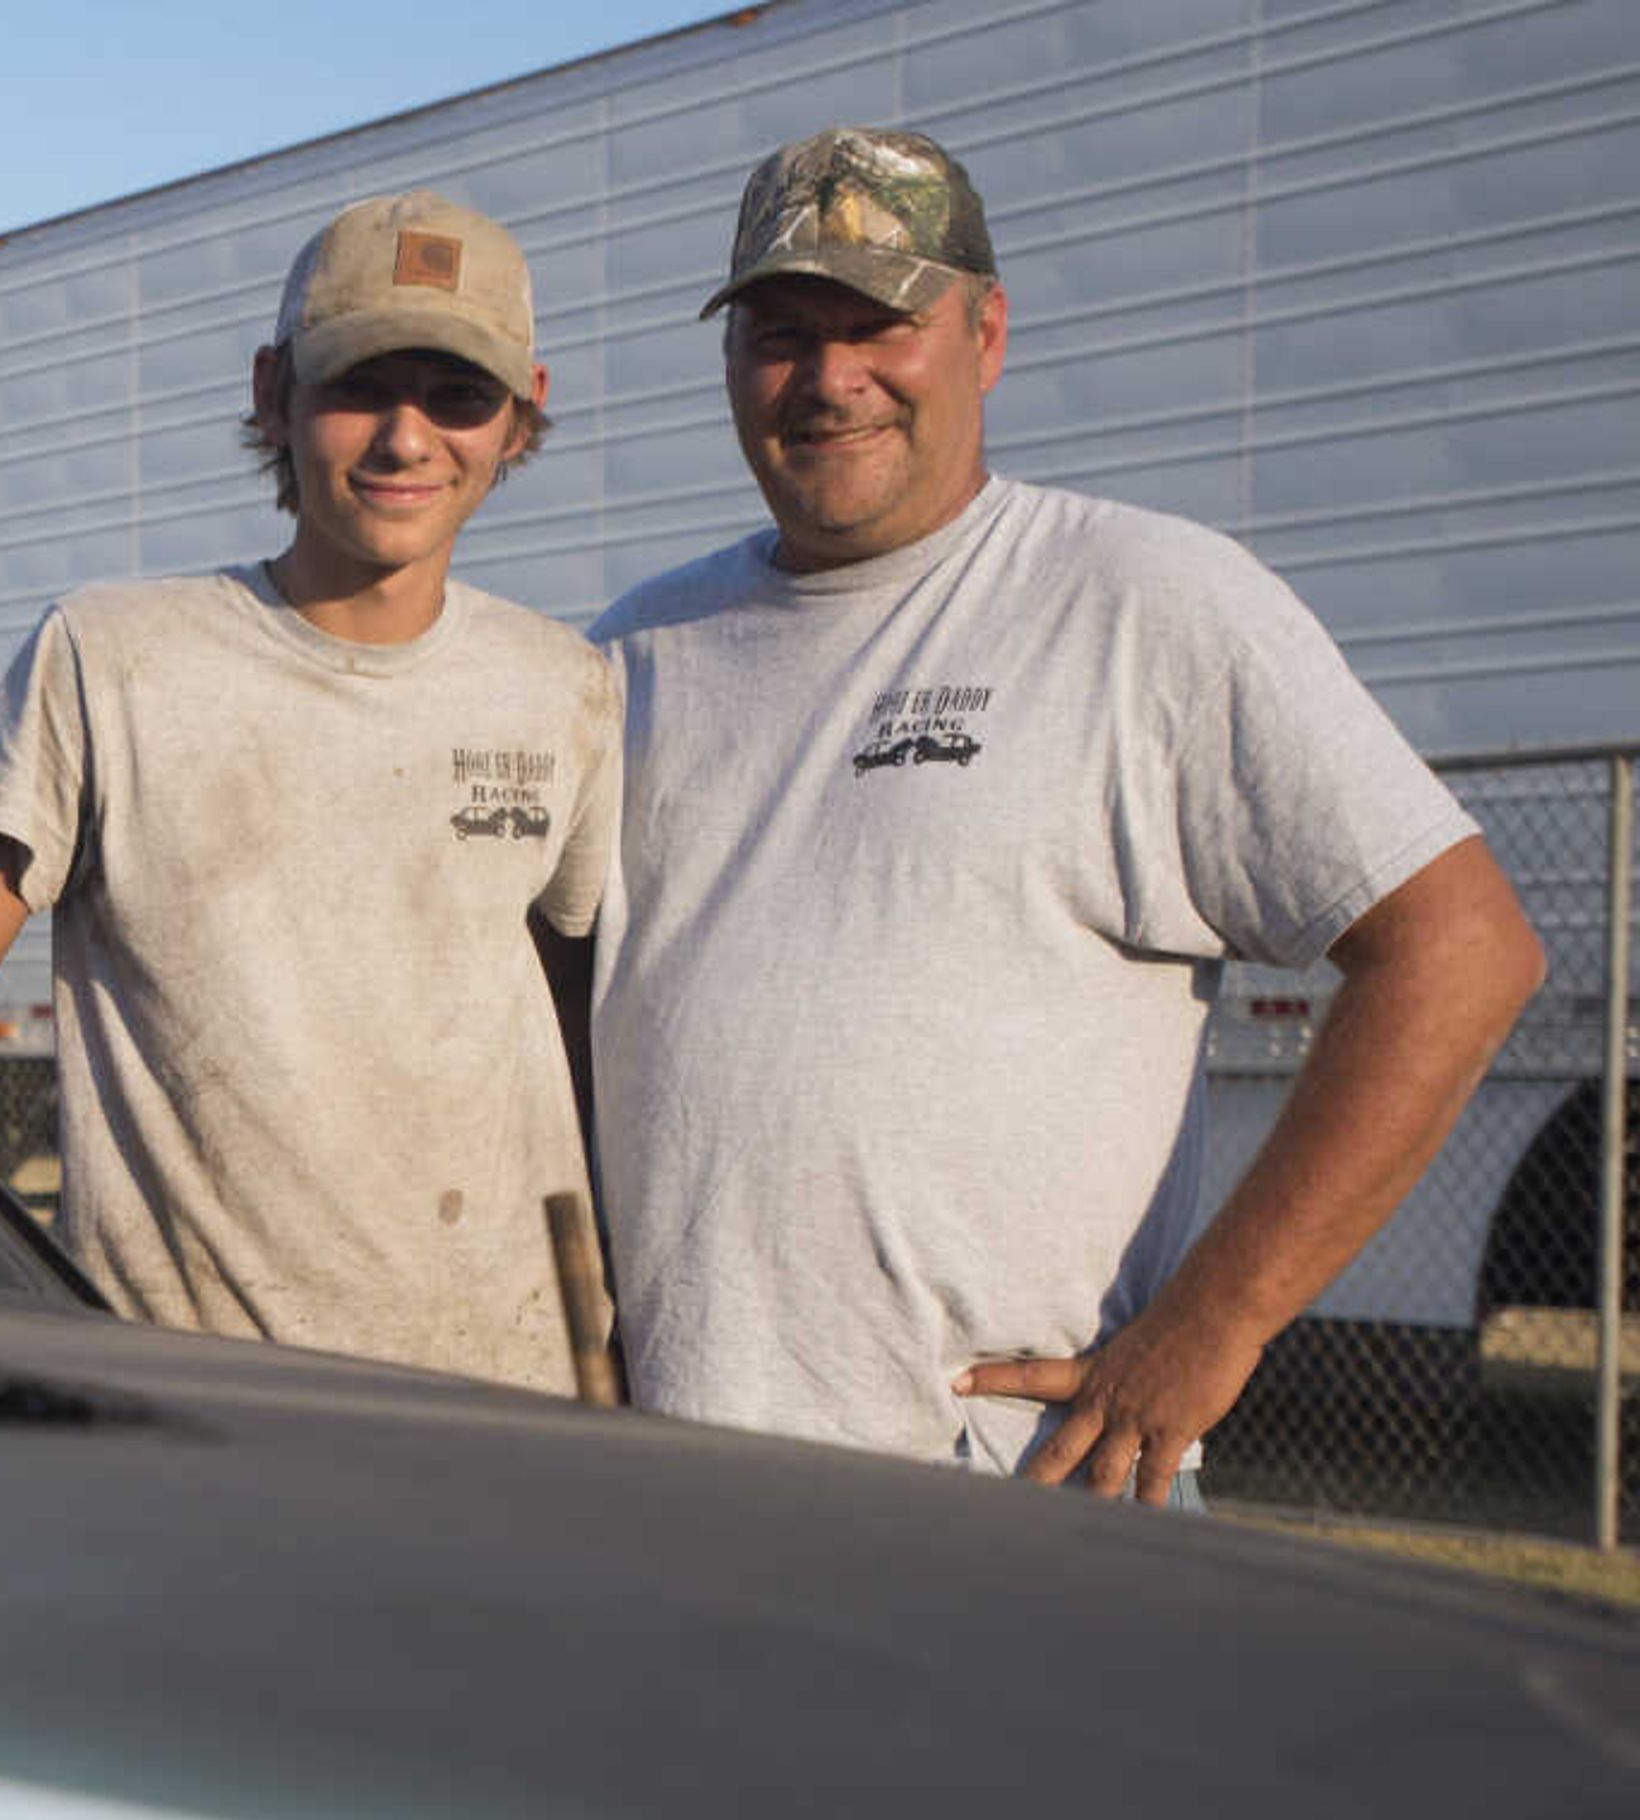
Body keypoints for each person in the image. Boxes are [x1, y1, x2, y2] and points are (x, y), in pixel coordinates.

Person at [586, 126, 1544, 1499]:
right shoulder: (640, 649)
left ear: (986, 335)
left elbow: (1461, 951)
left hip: (1017, 1509)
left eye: (879, 325)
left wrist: (1213, 1323)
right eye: (781, 333)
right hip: (684, 1498)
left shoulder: (1138, 601)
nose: (828, 377)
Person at [0, 190, 622, 1391]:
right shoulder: (111, 658)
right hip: (199, 1413)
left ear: (520, 415)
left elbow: (595, 1044)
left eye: (457, 396)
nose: (405, 438)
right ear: (272, 392)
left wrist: (612, 1357)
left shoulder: (566, 688)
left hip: (504, 1407)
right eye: (356, 385)